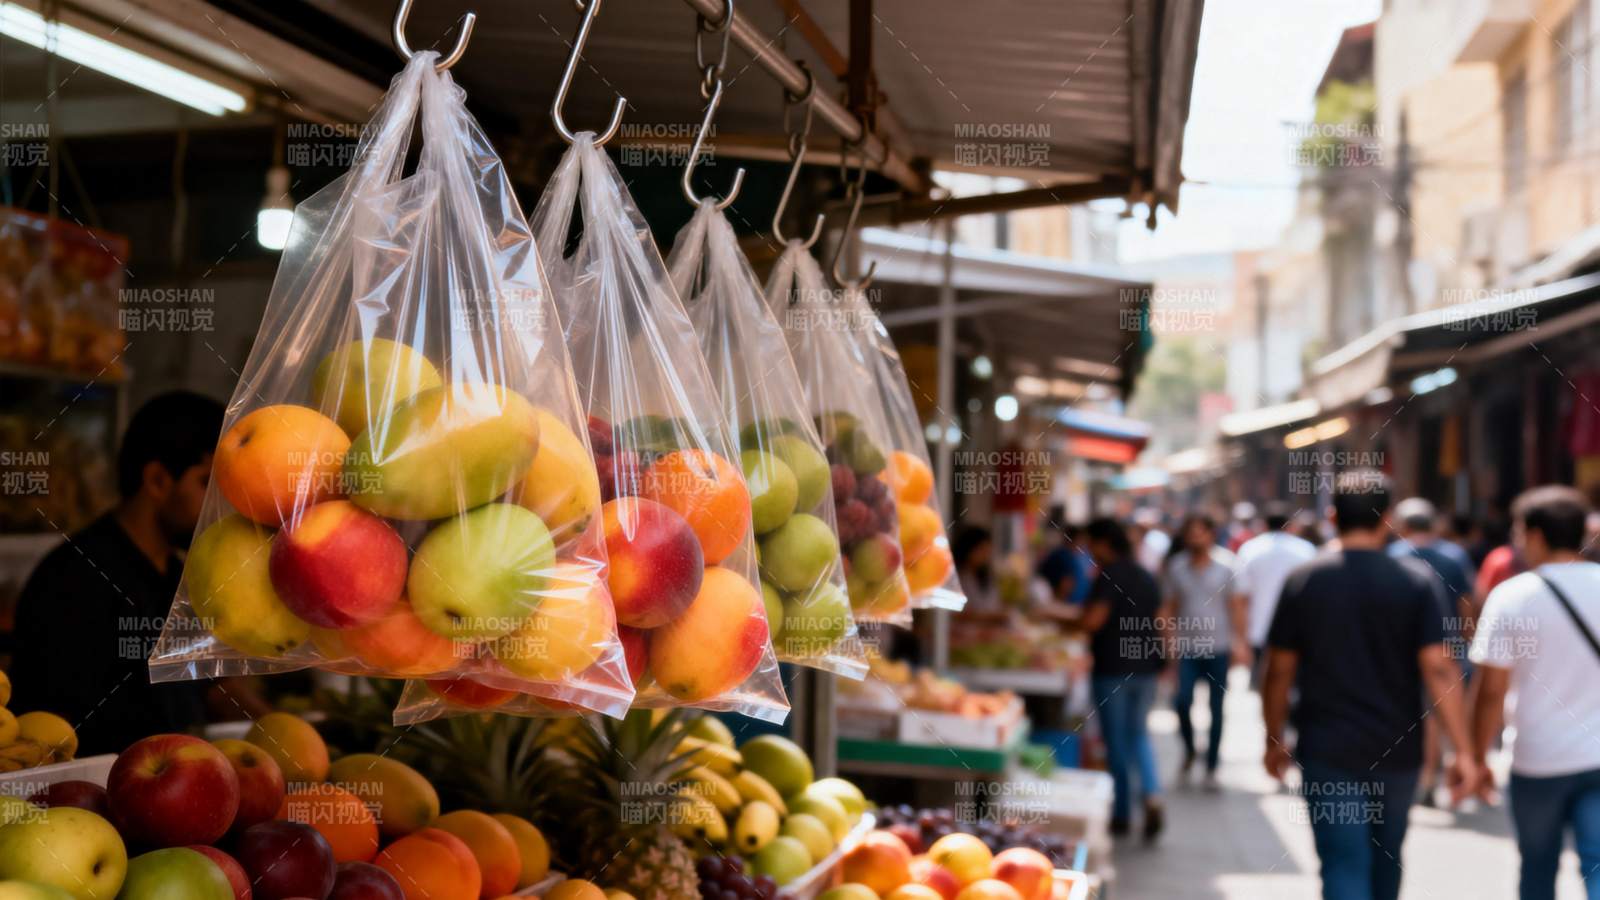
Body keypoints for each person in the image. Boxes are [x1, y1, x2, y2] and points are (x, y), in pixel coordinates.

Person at [1262, 471, 1480, 900]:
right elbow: (1439, 668)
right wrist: (1464, 752)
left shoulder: (1305, 580)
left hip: (1327, 749)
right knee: (1386, 860)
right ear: (1389, 519)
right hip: (1398, 751)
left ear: (1332, 515)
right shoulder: (1416, 581)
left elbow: (1278, 670)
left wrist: (1273, 738)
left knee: (1343, 863)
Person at [10, 392, 246, 755]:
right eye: (206, 484)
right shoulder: (74, 581)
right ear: (156, 481)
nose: (222, 505)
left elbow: (209, 684)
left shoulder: (177, 574)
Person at [1470, 486, 1600, 900]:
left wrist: (1475, 757)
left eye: (1520, 531)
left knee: (1538, 866)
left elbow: (1491, 690)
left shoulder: (1512, 597)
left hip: (1536, 759)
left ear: (1536, 534)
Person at [1080, 517, 1165, 840]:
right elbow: (1162, 620)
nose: (1088, 550)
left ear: (1104, 543)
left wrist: (1071, 619)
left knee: (1116, 741)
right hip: (1146, 667)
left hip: (1112, 668)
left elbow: (1094, 621)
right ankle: (1152, 794)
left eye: (1091, 543)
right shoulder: (1145, 575)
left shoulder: (1108, 576)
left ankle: (1122, 814)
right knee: (1139, 735)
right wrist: (1165, 660)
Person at [1387, 497, 1475, 803]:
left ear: (1403, 525)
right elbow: (1466, 605)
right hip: (1448, 643)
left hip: (1403, 647)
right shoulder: (1454, 556)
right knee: (1439, 710)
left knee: (1418, 713)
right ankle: (1433, 771)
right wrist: (1468, 638)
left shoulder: (1394, 554)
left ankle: (1424, 774)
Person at [1161, 513, 1244, 790]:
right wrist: (1168, 642)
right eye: (1191, 532)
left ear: (1211, 534)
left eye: (1201, 532)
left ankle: (1212, 763)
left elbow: (1236, 607)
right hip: (1187, 648)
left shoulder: (1227, 566)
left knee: (1216, 708)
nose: (1196, 537)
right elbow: (1169, 607)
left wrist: (1240, 642)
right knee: (1181, 702)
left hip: (1219, 647)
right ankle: (1189, 748)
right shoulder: (1176, 567)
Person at [1233, 502, 1316, 676]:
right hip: (1299, 632)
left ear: (1263, 525)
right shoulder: (1306, 550)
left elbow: (1240, 598)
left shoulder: (1249, 550)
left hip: (1259, 631)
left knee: (1263, 686)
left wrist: (1241, 639)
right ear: (1290, 525)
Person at [1036, 521, 1092, 605]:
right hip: (1065, 605)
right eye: (1082, 541)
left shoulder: (1073, 556)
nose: (1083, 545)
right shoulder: (1065, 556)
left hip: (1072, 605)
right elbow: (1064, 585)